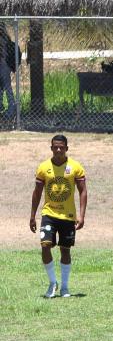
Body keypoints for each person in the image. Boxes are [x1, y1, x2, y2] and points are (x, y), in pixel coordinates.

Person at [29, 135, 87, 298]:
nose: (59, 150)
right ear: (51, 148)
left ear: (67, 148)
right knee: (45, 245)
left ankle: (65, 287)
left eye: (61, 147)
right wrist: (32, 216)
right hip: (49, 213)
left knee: (65, 250)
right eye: (55, 147)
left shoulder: (75, 167)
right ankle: (53, 282)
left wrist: (81, 215)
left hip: (68, 216)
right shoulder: (43, 167)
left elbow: (83, 191)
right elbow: (37, 193)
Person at [0, 24, 18, 118]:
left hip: (4, 67)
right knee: (5, 88)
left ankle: (11, 108)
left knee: (6, 87)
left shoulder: (4, 40)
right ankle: (7, 107)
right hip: (5, 67)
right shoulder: (6, 39)